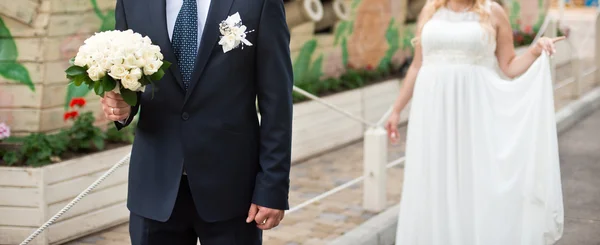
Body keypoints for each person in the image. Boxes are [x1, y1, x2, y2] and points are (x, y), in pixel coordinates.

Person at [101, 0, 293, 244]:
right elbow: (130, 80)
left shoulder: (260, 3)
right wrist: (123, 105)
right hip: (154, 187)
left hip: (232, 191)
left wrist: (273, 187)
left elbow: (277, 103)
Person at [385, 0, 565, 244]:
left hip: (476, 111)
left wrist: (535, 51)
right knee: (433, 182)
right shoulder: (430, 10)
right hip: (431, 114)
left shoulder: (494, 12)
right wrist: (396, 110)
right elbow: (418, 65)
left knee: (473, 180)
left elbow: (509, 66)